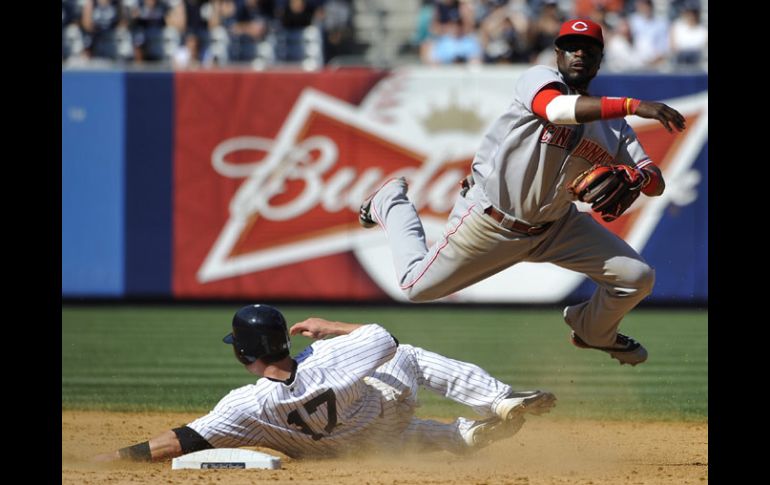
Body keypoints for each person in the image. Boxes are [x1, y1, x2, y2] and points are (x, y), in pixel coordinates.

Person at [358, 18, 686, 366]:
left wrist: (636, 178)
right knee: (415, 286)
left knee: (637, 277)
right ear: (557, 53)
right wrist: (636, 105)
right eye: (571, 47)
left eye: (588, 49)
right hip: (492, 222)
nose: (579, 54)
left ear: (599, 59)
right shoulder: (540, 79)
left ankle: (592, 331)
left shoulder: (614, 128)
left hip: (557, 228)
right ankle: (389, 200)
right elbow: (556, 110)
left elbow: (655, 180)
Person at [93, 304, 556, 462]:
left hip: (347, 451)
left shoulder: (246, 406)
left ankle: (463, 435)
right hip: (379, 419)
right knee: (408, 358)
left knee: (382, 435)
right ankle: (495, 401)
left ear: (243, 353)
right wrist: (330, 325)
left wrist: (118, 457)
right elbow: (386, 339)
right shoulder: (329, 355)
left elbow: (183, 440)